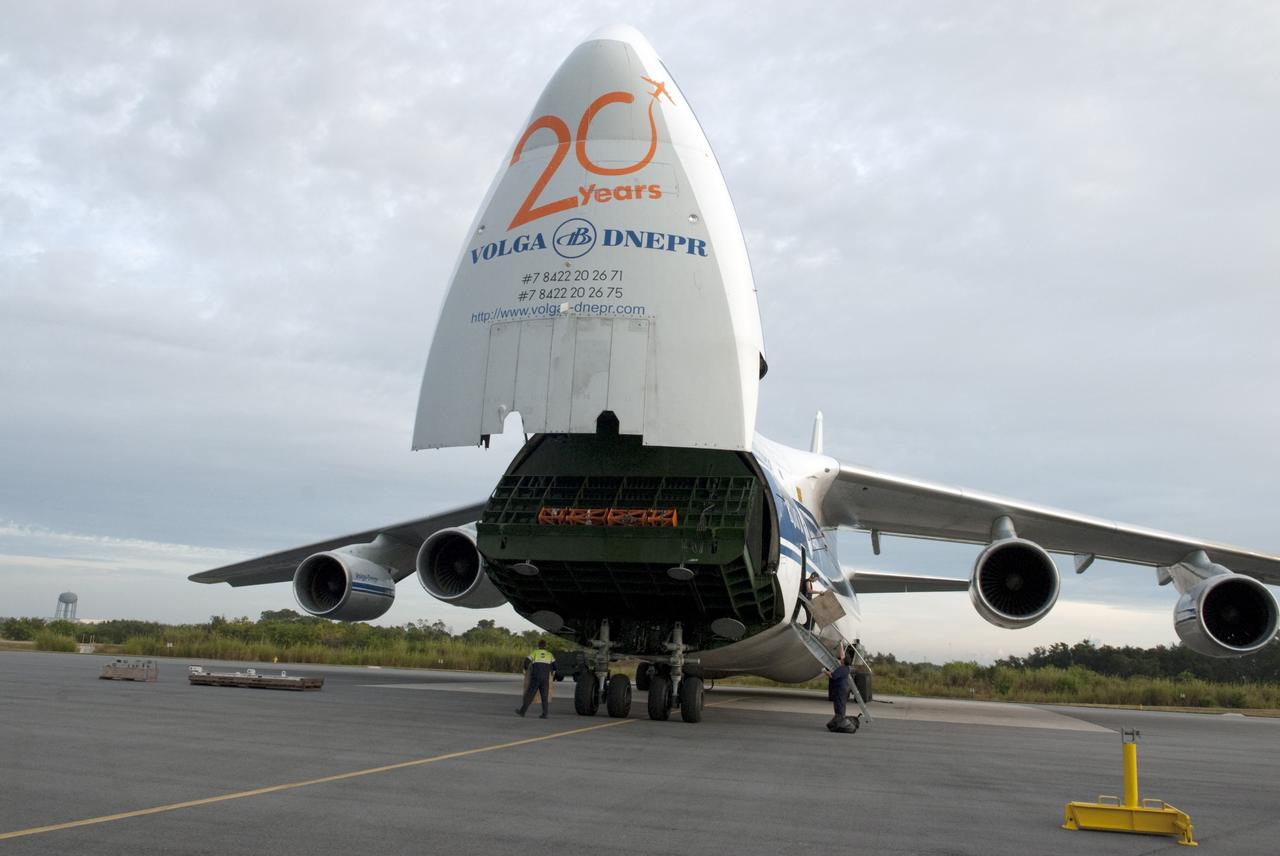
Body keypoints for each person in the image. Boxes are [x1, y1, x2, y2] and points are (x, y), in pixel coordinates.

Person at [516, 639, 557, 718]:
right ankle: (545, 714)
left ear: (538, 645)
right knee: (544, 697)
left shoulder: (535, 653)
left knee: (530, 695)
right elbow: (555, 665)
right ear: (545, 646)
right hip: (545, 678)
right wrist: (553, 672)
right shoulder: (549, 654)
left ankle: (522, 712)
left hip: (536, 677)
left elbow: (526, 661)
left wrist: (525, 669)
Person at [823, 648, 858, 733]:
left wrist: (824, 671)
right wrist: (841, 645)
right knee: (841, 705)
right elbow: (843, 656)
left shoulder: (841, 669)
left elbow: (833, 676)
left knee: (839, 706)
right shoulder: (846, 668)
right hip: (843, 689)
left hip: (839, 690)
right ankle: (839, 720)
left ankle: (840, 722)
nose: (841, 658)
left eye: (842, 659)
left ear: (843, 661)